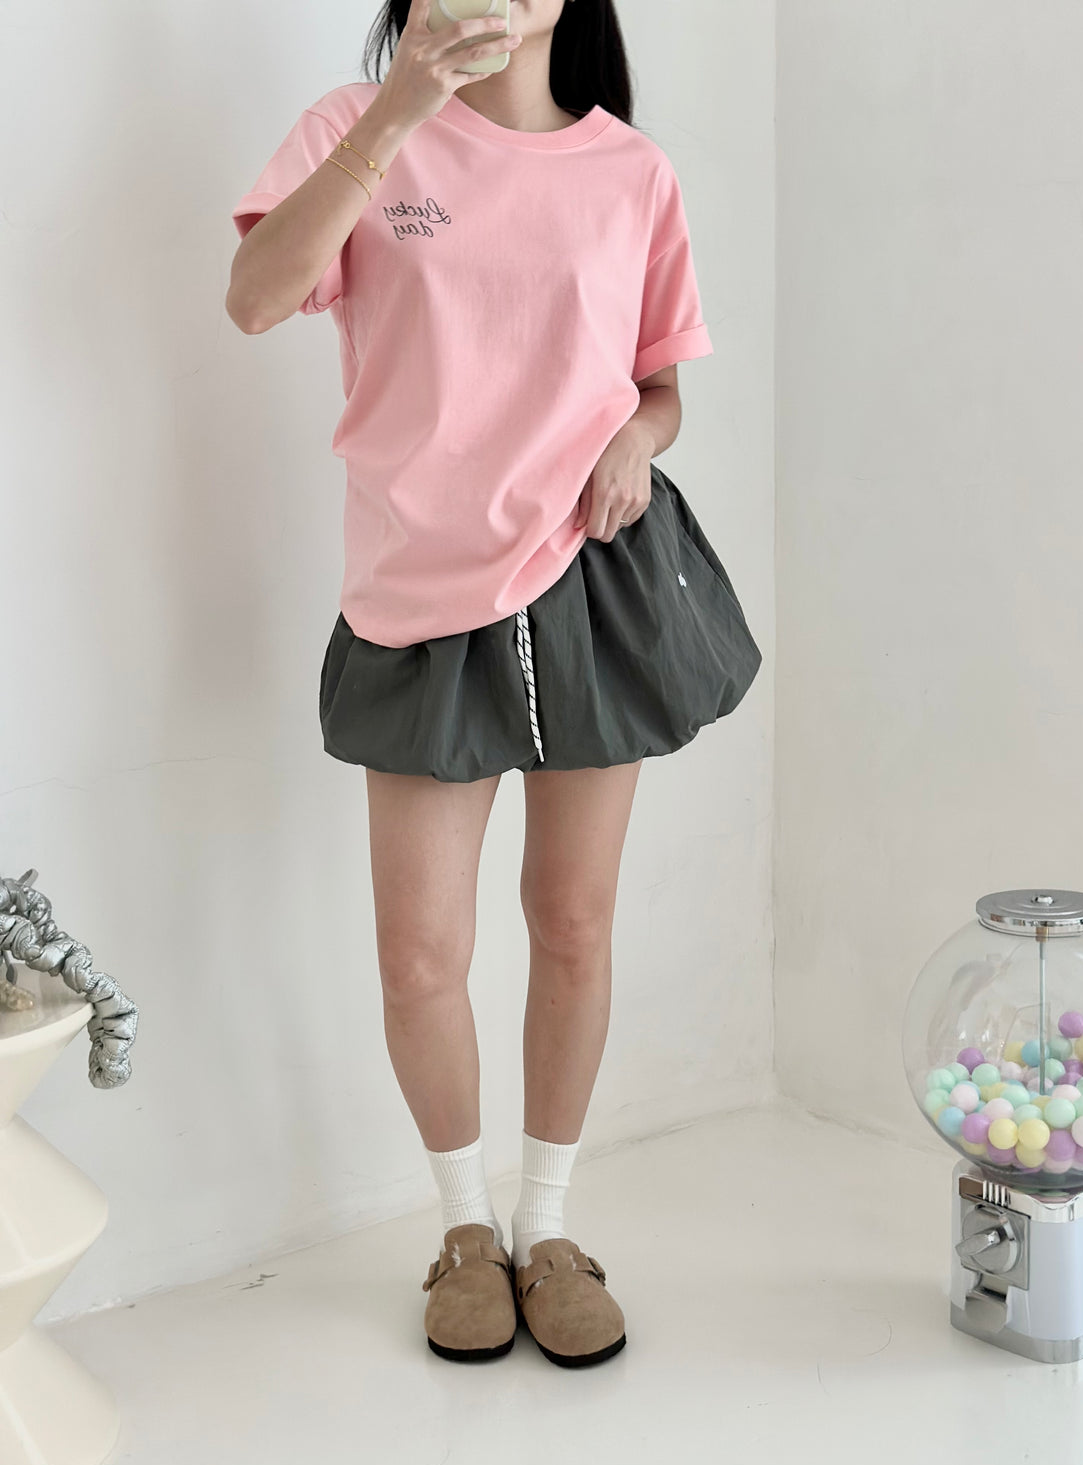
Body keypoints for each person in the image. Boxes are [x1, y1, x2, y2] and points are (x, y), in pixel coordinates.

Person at [226, 0, 762, 1369]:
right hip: (416, 591)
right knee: (419, 955)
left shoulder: (630, 171)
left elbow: (658, 381)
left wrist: (640, 435)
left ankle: (548, 1227)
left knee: (571, 923)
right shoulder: (354, 130)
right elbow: (255, 296)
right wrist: (400, 108)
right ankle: (463, 1231)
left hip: (589, 575)